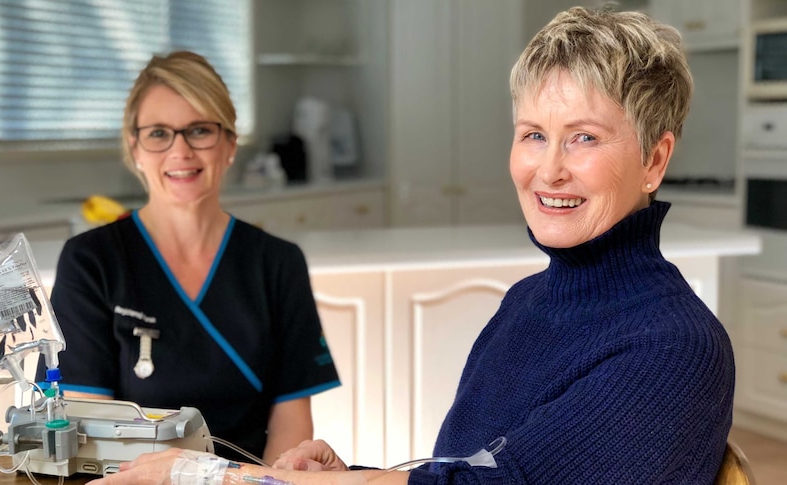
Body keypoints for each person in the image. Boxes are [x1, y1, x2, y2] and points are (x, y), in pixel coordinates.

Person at [89, 6, 734, 484]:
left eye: (585, 138)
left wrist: (196, 475)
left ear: (655, 159)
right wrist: (345, 475)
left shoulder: (673, 346)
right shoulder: (527, 302)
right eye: (534, 134)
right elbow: (463, 471)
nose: (550, 169)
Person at [35, 51, 341, 464]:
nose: (180, 151)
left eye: (199, 130)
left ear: (230, 144)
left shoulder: (278, 263)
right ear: (135, 149)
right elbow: (88, 429)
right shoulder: (93, 261)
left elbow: (290, 421)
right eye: (159, 133)